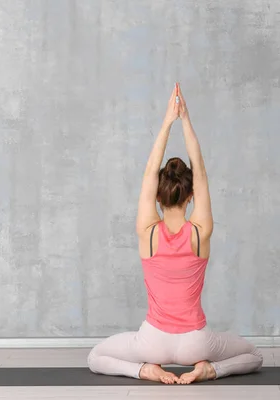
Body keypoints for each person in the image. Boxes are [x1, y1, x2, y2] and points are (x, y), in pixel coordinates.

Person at [87, 83, 263, 384]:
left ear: (158, 196)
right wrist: (186, 120)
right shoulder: (200, 232)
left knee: (95, 358)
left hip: (153, 341)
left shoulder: (147, 232)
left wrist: (167, 121)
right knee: (254, 356)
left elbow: (148, 174)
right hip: (196, 342)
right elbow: (202, 173)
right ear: (191, 195)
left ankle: (145, 371)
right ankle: (209, 370)